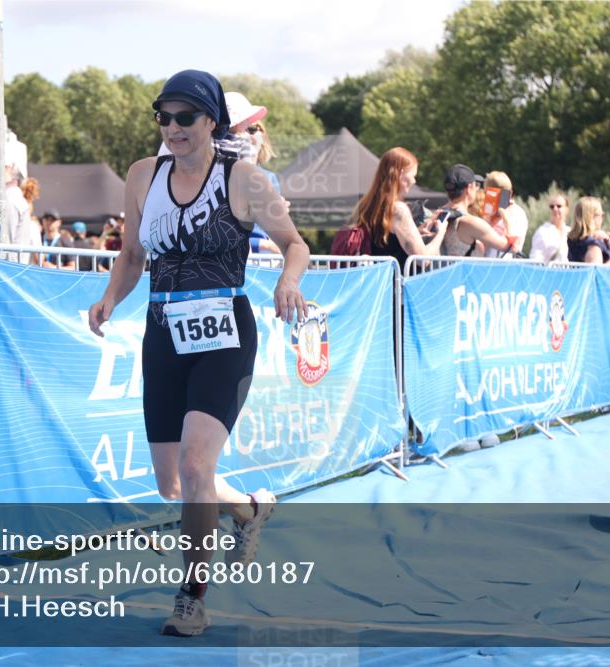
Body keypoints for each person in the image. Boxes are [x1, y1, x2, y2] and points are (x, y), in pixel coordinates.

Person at [87, 70, 309, 637]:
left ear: (212, 121)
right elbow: (133, 254)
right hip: (164, 332)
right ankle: (251, 509)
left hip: (225, 335)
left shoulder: (245, 178)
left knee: (195, 464)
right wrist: (111, 296)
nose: (174, 128)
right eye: (164, 117)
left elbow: (295, 244)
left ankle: (192, 596)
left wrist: (288, 281)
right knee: (174, 484)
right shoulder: (142, 175)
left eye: (186, 117)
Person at [349, 147, 449, 271]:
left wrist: (417, 232)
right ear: (401, 173)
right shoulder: (398, 209)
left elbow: (386, 243)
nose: (414, 181)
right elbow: (423, 260)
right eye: (413, 175)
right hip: (397, 285)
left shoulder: (367, 205)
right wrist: (440, 234)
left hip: (378, 283)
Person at [222, 91, 283, 254]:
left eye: (253, 128)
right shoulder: (220, 171)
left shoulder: (271, 178)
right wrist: (262, 245)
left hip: (264, 264)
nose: (246, 133)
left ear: (264, 135)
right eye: (243, 127)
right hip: (236, 257)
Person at [436, 164, 518, 258]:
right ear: (469, 188)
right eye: (476, 186)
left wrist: (488, 221)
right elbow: (512, 247)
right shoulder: (471, 222)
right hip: (465, 272)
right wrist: (506, 217)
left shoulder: (438, 215)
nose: (477, 189)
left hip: (444, 271)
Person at [567, 197, 610, 265]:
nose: (602, 218)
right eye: (601, 215)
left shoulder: (573, 239)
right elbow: (597, 272)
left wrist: (608, 239)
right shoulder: (593, 246)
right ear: (591, 217)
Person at [482, 171, 528, 259]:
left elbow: (514, 245)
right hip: (485, 267)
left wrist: (504, 216)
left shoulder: (517, 213)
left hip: (506, 267)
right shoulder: (489, 213)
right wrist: (487, 222)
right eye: (486, 193)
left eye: (490, 194)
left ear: (508, 194)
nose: (487, 197)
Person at [529, 193, 570, 263]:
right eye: (552, 206)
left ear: (566, 209)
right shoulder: (542, 232)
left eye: (559, 206)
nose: (555, 209)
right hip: (550, 272)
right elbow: (535, 259)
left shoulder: (570, 232)